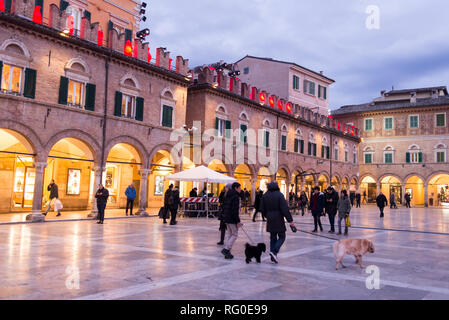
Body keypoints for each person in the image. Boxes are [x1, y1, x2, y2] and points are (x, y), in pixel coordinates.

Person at [261, 182, 295, 264]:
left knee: (273, 237)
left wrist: (267, 215)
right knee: (282, 236)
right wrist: (290, 220)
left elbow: (262, 208)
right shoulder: (279, 195)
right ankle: (274, 251)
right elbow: (284, 209)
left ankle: (273, 256)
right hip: (278, 218)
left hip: (270, 218)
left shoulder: (265, 195)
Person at [221, 182, 242, 260]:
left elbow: (224, 206)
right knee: (235, 234)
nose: (240, 189)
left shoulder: (227, 195)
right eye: (239, 188)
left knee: (230, 235)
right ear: (236, 188)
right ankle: (226, 249)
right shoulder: (235, 196)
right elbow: (234, 210)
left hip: (227, 217)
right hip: (232, 219)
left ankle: (227, 253)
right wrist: (238, 221)